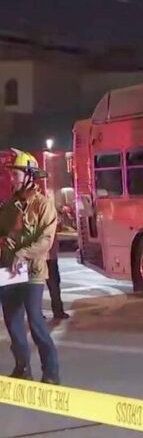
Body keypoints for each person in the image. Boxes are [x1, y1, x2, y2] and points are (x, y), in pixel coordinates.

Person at [0, 149, 60, 384]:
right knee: (13, 322)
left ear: (29, 175)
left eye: (16, 173)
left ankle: (51, 372)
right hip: (9, 271)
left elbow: (45, 241)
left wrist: (22, 254)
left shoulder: (44, 206)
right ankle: (22, 367)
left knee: (35, 322)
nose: (12, 178)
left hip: (33, 271)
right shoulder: (9, 206)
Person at [46, 233, 69, 319]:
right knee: (54, 285)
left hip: (41, 257)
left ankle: (36, 314)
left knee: (37, 287)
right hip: (48, 257)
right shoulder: (49, 221)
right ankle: (58, 311)